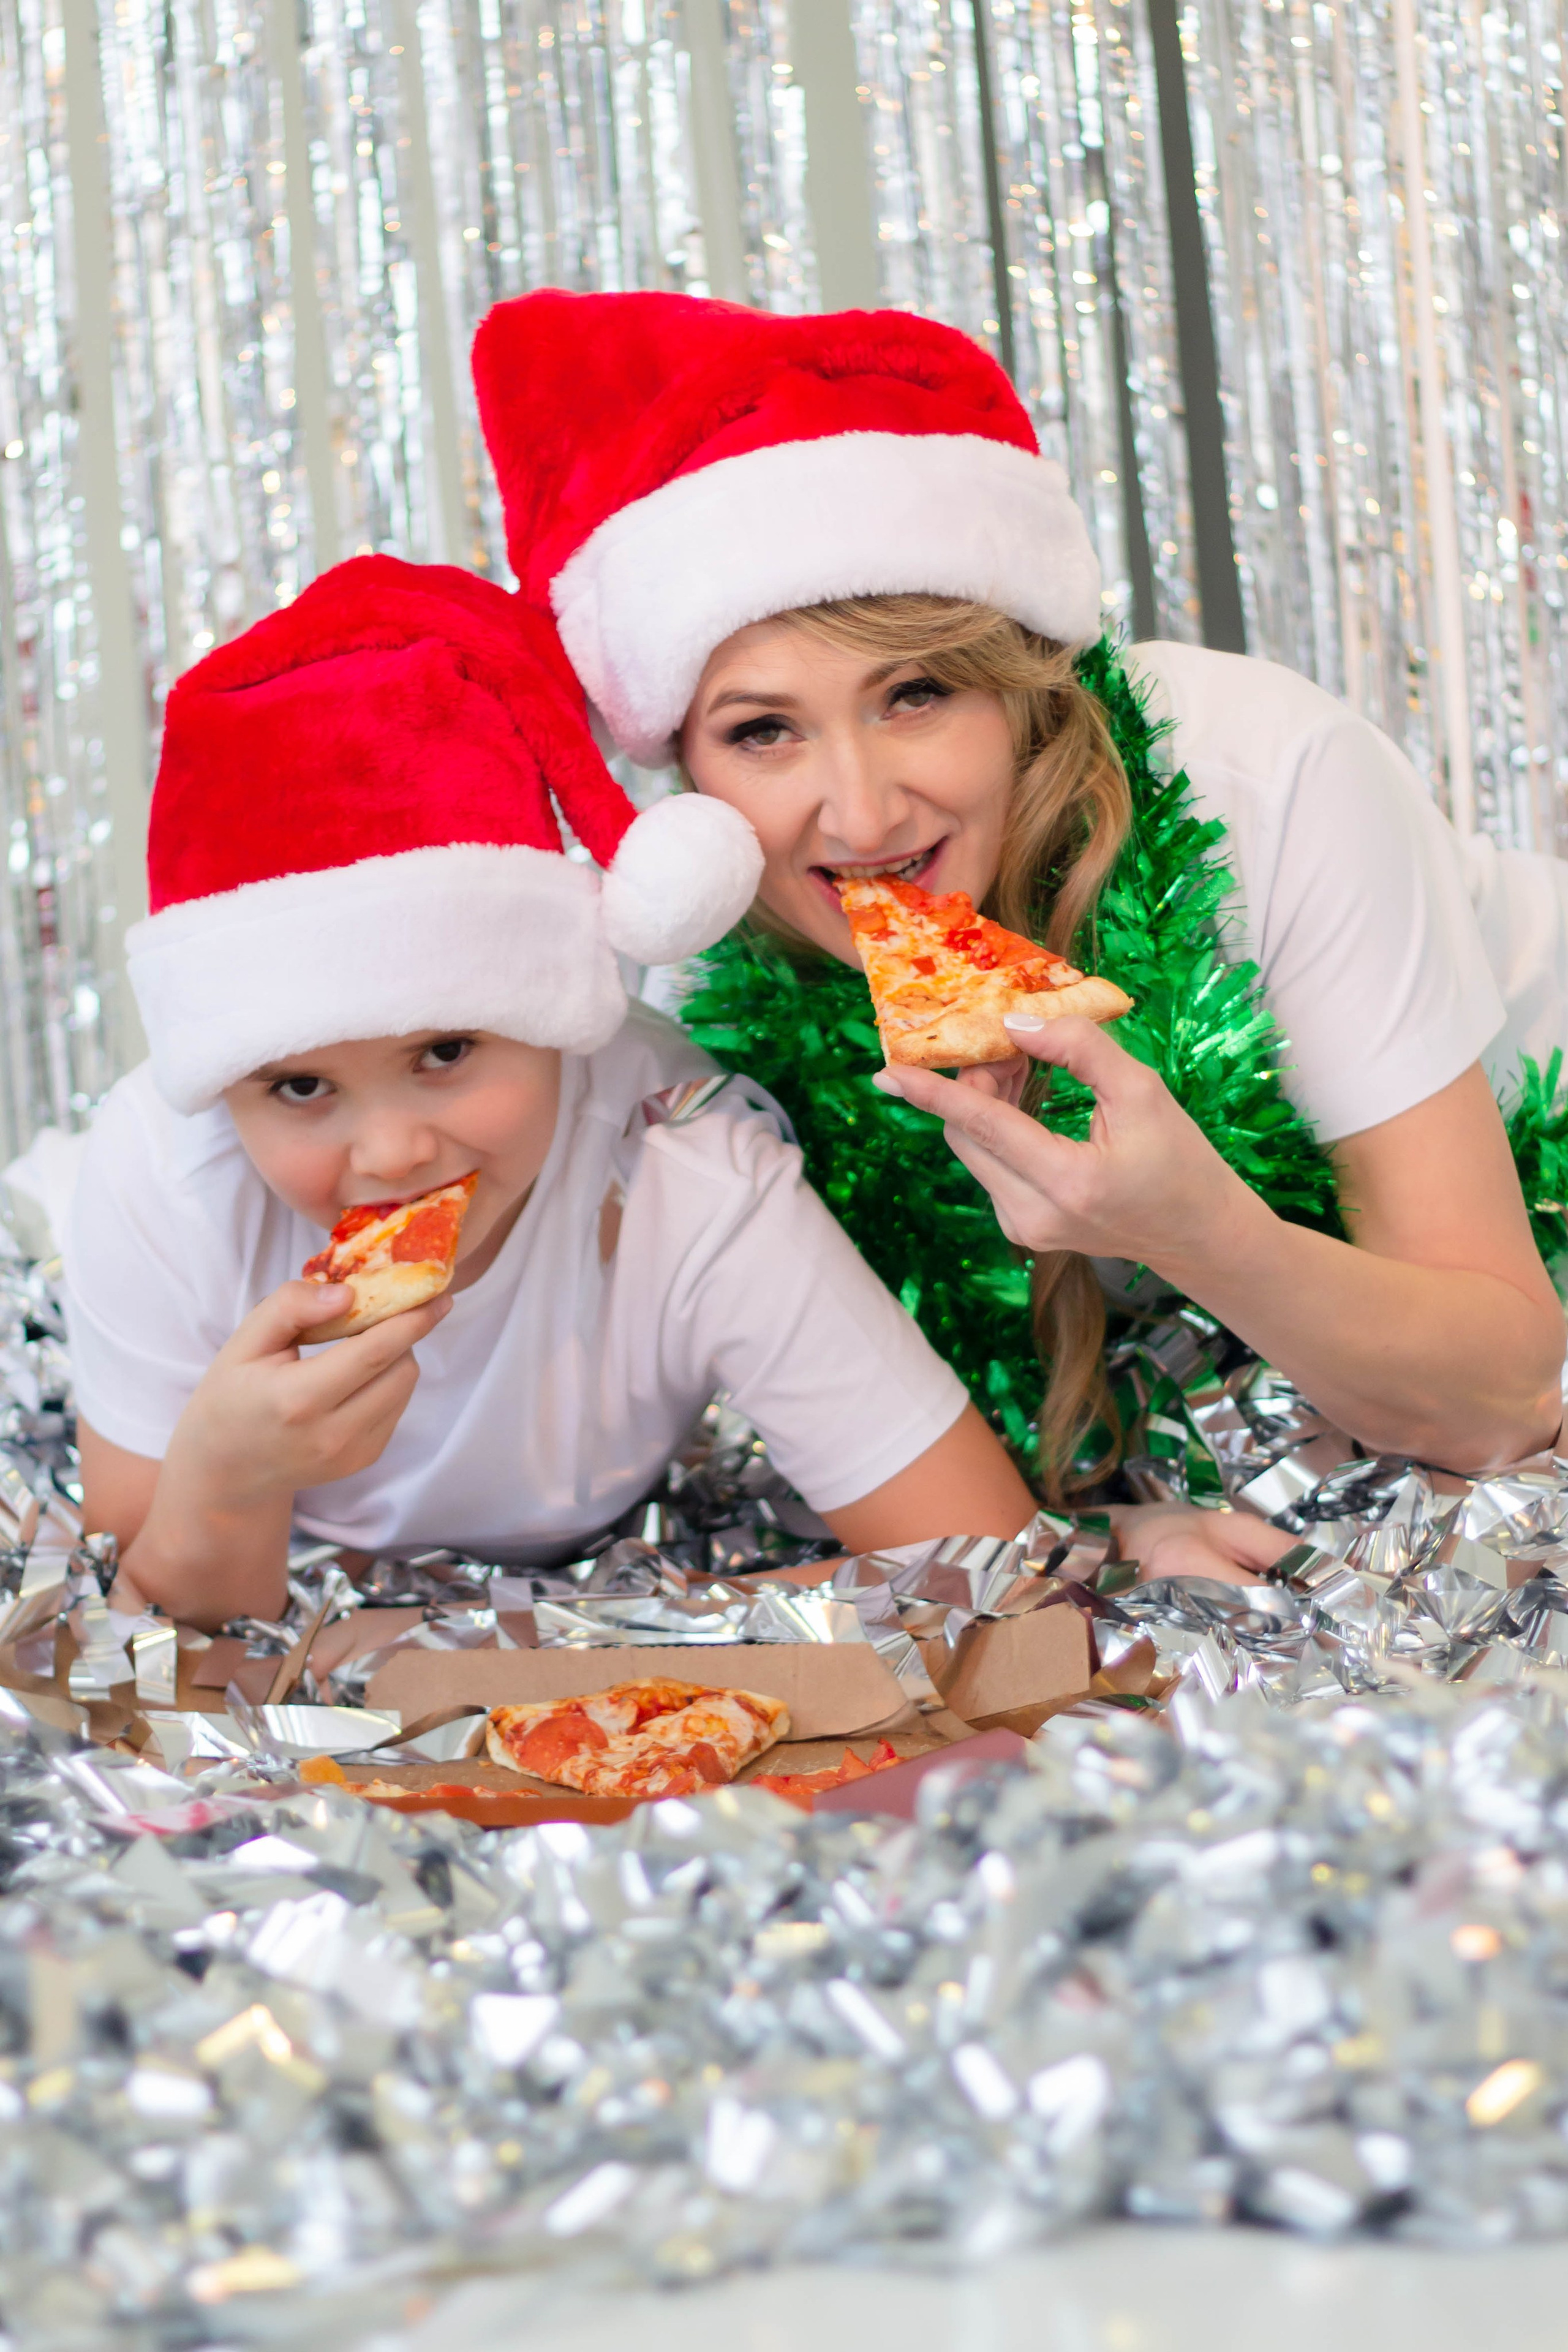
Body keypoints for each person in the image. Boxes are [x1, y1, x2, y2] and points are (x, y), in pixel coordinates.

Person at [469, 291, 1566, 1579]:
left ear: (1016, 682)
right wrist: (1099, 1535)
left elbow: (1505, 1400)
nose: (864, 812)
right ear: (686, 771)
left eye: (915, 695)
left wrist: (1192, 1229)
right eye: (761, 730)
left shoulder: (1262, 783)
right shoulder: (712, 977)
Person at [64, 557, 1035, 1629]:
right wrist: (229, 1481)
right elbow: (143, 1645)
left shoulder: (680, 1153)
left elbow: (976, 1560)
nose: (389, 1153)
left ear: (556, 1022)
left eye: (446, 1053)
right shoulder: (163, 1169)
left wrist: (489, 1650)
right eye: (299, 1086)